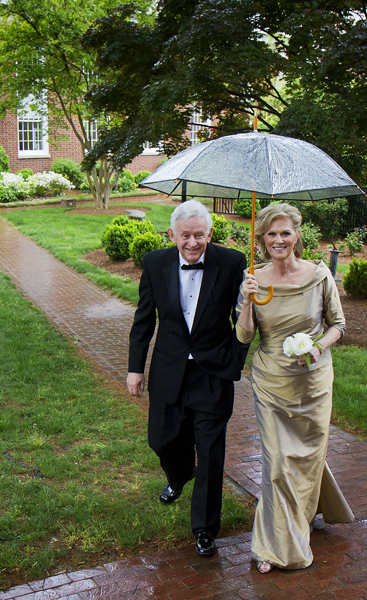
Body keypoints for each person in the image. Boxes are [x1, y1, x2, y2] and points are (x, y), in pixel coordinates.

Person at [237, 203, 354, 574]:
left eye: (285, 232)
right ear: (262, 239)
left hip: (314, 383)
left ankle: (303, 517)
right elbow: (244, 335)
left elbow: (338, 325)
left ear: (297, 235)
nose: (279, 240)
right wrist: (246, 300)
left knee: (306, 457)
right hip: (271, 380)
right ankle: (276, 547)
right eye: (271, 233)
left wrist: (318, 346)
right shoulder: (253, 277)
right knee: (277, 465)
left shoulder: (319, 275)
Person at [127, 200, 249, 556]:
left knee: (210, 454)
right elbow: (144, 320)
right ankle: (179, 475)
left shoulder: (232, 263)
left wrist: (233, 360)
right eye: (185, 236)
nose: (193, 242)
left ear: (210, 233)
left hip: (212, 373)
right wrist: (136, 368)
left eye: (200, 235)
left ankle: (205, 528)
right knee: (162, 439)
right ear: (172, 235)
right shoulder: (154, 263)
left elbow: (245, 318)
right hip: (169, 370)